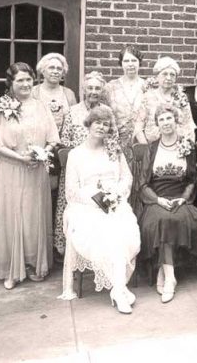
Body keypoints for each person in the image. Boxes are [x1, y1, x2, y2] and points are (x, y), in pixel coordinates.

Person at [0, 62, 59, 289]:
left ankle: (32, 263)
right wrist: (21, 158)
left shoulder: (41, 106)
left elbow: (53, 138)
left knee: (32, 216)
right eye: (20, 80)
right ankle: (11, 269)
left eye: (28, 79)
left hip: (35, 171)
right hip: (11, 170)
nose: (26, 84)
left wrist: (43, 153)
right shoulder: (3, 107)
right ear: (11, 84)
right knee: (12, 215)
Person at [60, 106, 140, 314]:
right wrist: (96, 200)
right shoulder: (76, 155)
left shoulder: (114, 151)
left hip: (114, 204)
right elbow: (71, 190)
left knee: (123, 234)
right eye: (98, 122)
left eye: (106, 124)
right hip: (85, 208)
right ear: (89, 123)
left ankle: (118, 290)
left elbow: (126, 178)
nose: (101, 127)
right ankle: (120, 292)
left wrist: (116, 195)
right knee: (107, 236)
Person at [137, 105, 197, 303]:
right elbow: (143, 183)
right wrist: (157, 200)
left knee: (178, 218)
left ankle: (164, 272)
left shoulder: (188, 146)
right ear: (157, 125)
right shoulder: (152, 148)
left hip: (181, 197)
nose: (166, 123)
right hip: (157, 199)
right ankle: (171, 278)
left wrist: (183, 198)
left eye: (169, 119)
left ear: (176, 121)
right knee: (163, 220)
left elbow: (192, 179)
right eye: (162, 120)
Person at [55, 71, 119, 257]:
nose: (93, 91)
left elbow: (113, 138)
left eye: (97, 88)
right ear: (83, 90)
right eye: (90, 88)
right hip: (77, 167)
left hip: (101, 167)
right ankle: (71, 252)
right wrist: (81, 156)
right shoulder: (72, 112)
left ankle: (102, 252)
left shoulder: (107, 112)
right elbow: (65, 141)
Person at [135, 56, 196, 143]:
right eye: (165, 74)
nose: (168, 78)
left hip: (178, 147)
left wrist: (188, 147)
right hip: (153, 147)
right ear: (157, 77)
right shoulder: (147, 97)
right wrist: (147, 149)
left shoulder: (181, 98)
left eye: (172, 75)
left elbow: (189, 125)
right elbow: (138, 127)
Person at [102, 47, 146, 149]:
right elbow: (104, 116)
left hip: (142, 142)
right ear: (121, 63)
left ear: (139, 62)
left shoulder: (147, 86)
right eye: (126, 61)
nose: (130, 64)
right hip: (116, 142)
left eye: (134, 60)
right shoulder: (110, 87)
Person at [32, 53, 77, 133]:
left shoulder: (69, 94)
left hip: (63, 141)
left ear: (63, 73)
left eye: (59, 69)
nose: (55, 71)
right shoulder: (33, 92)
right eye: (51, 68)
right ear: (43, 70)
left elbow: (75, 120)